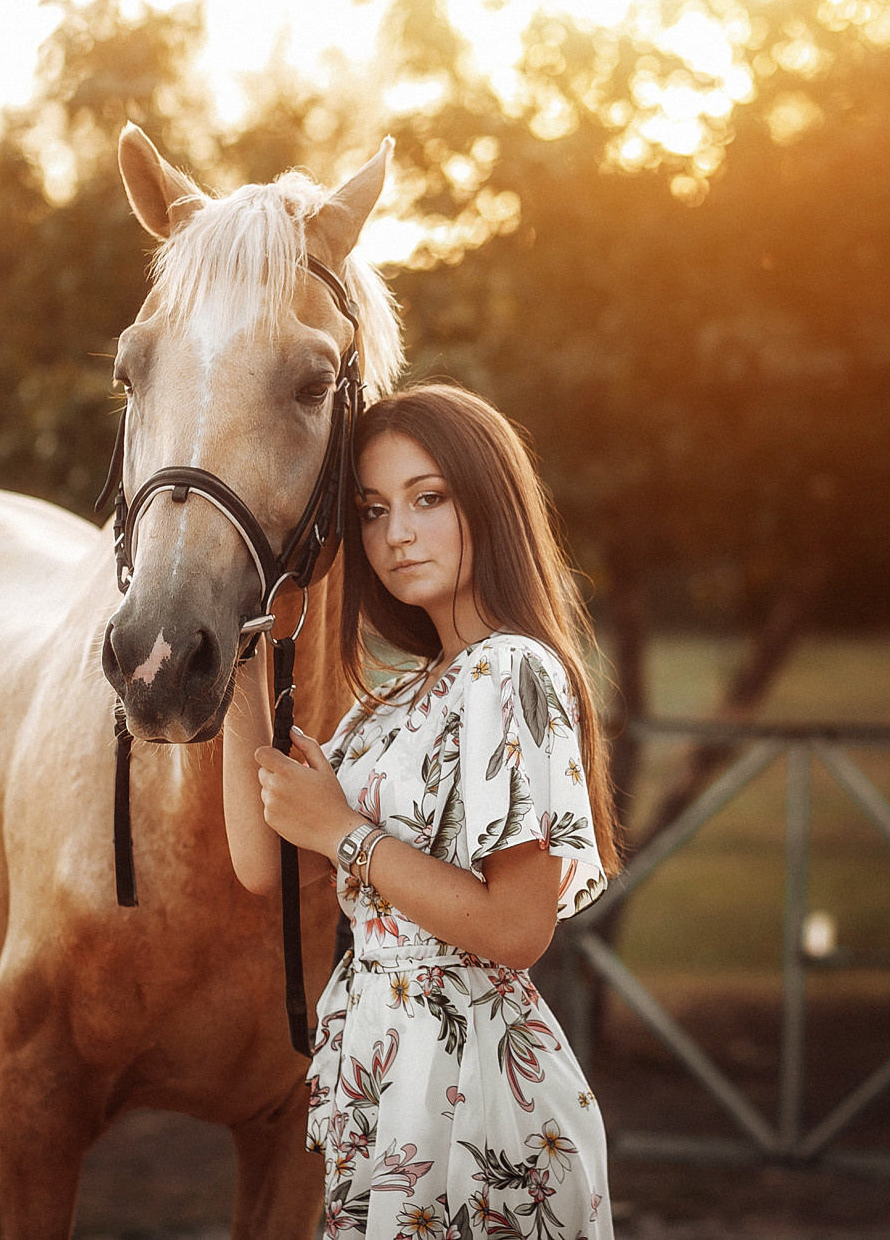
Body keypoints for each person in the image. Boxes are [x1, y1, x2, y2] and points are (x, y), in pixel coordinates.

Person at [222, 382, 623, 1240]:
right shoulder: (389, 705)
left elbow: (517, 929)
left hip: (474, 1084)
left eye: (427, 498)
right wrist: (237, 666)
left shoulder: (514, 671)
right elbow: (264, 863)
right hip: (381, 1076)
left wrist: (343, 831)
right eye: (372, 510)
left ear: (489, 500)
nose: (395, 533)